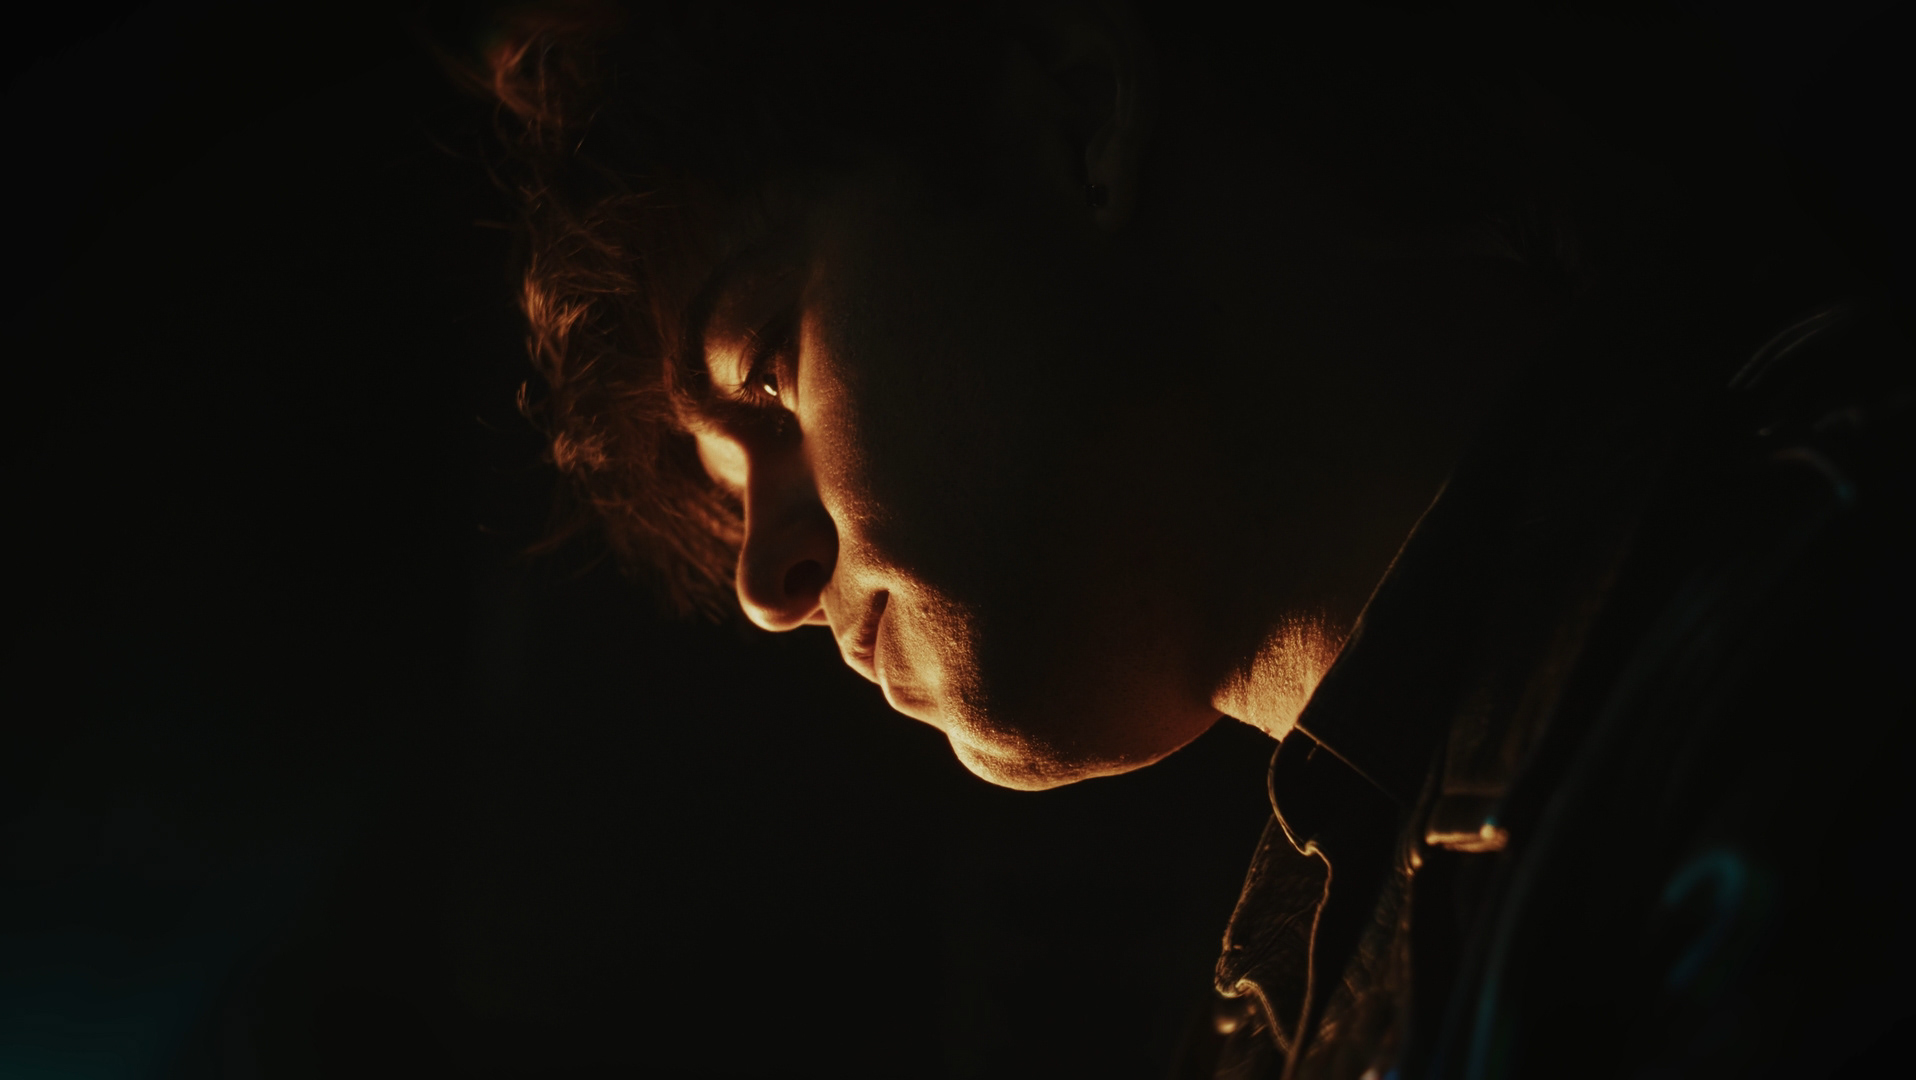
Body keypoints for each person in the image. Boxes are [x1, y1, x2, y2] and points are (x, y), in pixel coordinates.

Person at [463, 1, 1914, 1075]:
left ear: (1079, 114)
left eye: (768, 373)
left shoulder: (1820, 619)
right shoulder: (1306, 987)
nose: (764, 585)